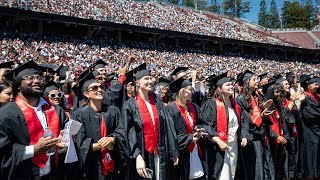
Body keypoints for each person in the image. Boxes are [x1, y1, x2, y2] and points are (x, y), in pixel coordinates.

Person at [0, 60, 68, 179]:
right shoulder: (5, 115)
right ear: (17, 85)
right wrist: (34, 150)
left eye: (39, 77)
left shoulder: (56, 110)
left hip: (53, 174)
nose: (36, 81)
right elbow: (3, 154)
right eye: (29, 77)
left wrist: (65, 140)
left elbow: (65, 141)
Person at [122, 67, 179, 179]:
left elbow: (168, 125)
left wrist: (173, 151)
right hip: (143, 153)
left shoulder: (158, 102)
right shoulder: (130, 105)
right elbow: (128, 132)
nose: (150, 81)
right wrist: (137, 156)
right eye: (146, 78)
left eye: (150, 78)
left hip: (161, 151)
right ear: (137, 82)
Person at [74, 72, 128, 179]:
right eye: (94, 88)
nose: (99, 90)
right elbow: (79, 143)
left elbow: (121, 133)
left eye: (101, 87)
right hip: (92, 165)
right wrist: (104, 145)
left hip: (112, 163)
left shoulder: (113, 111)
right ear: (86, 94)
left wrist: (112, 139)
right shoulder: (80, 114)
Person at [201, 72, 249, 180]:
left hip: (234, 146)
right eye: (228, 85)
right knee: (221, 175)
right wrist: (218, 141)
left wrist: (244, 136)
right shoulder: (212, 104)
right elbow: (206, 125)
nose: (231, 86)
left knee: (231, 174)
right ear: (219, 88)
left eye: (231, 84)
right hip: (218, 146)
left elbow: (244, 121)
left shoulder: (235, 104)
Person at [235, 70, 275, 179]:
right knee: (255, 167)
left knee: (260, 165)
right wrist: (261, 116)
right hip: (250, 137)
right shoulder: (240, 99)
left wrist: (262, 109)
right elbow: (245, 119)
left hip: (258, 135)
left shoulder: (252, 97)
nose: (256, 81)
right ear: (247, 83)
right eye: (253, 80)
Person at [167, 77, 206, 180]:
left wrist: (199, 129)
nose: (191, 91)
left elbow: (200, 122)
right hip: (181, 153)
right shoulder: (171, 109)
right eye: (189, 89)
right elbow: (170, 135)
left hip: (195, 150)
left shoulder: (193, 107)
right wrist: (189, 138)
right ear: (181, 91)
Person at [263, 82, 290, 179]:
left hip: (279, 141)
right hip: (271, 140)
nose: (278, 94)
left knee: (278, 165)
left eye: (279, 92)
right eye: (276, 92)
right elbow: (267, 126)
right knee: (271, 165)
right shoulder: (266, 107)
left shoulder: (277, 105)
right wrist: (276, 136)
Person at [299, 75, 320, 179]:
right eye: (315, 84)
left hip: (316, 128)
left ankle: (316, 173)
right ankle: (310, 174)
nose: (317, 85)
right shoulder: (305, 98)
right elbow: (309, 114)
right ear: (308, 86)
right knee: (310, 151)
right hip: (309, 129)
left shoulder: (316, 97)